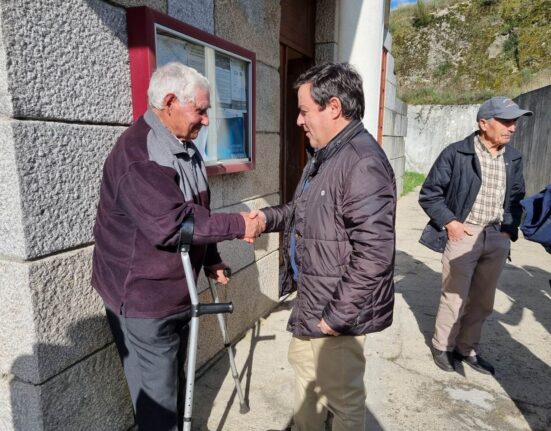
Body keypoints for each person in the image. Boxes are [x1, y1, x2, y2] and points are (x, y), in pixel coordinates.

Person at [91, 62, 263, 431]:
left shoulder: (184, 146)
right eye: (199, 110)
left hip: (178, 291)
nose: (205, 119)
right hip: (143, 300)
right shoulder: (139, 155)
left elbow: (198, 211)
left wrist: (213, 257)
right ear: (169, 102)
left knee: (177, 380)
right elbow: (170, 224)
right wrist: (239, 226)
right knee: (159, 399)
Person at [251, 63, 396, 431]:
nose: (299, 121)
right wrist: (266, 219)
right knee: (304, 377)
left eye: (303, 110)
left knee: (342, 400)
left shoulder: (362, 163)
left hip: (334, 311)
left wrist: (336, 317)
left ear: (333, 107)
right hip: (312, 298)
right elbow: (302, 212)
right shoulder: (326, 155)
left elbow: (375, 254)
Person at [419, 96, 532, 375]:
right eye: (505, 121)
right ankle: (442, 346)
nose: (512, 127)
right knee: (454, 297)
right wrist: (452, 224)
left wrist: (509, 228)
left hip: (496, 237)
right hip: (464, 234)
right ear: (484, 123)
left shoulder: (513, 158)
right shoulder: (457, 153)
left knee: (483, 300)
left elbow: (517, 197)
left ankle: (466, 348)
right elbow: (430, 194)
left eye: (514, 121)